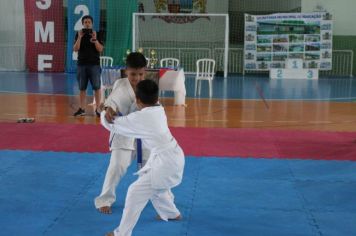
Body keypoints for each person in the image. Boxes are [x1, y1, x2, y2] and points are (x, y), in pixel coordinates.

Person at [101, 79, 185, 236]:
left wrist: (102, 113)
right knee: (156, 187)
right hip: (173, 156)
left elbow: (112, 124)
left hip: (165, 162)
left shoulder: (141, 118)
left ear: (138, 100)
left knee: (134, 192)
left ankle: (121, 233)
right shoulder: (159, 108)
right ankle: (173, 214)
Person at [94, 52, 149, 214]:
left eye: (140, 74)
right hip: (124, 134)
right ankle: (105, 200)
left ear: (145, 71)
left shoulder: (147, 86)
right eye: (133, 74)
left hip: (143, 135)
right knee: (116, 167)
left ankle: (163, 201)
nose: (137, 78)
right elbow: (111, 101)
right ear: (126, 71)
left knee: (151, 169)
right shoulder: (120, 84)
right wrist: (107, 109)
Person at [73, 15, 104, 117]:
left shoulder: (97, 33)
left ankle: (98, 109)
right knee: (82, 88)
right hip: (81, 64)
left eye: (89, 22)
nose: (87, 24)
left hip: (94, 65)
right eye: (85, 22)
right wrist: (80, 37)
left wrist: (95, 40)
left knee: (97, 87)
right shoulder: (79, 34)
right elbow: (75, 49)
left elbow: (100, 49)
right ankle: (82, 109)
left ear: (92, 23)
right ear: (82, 24)